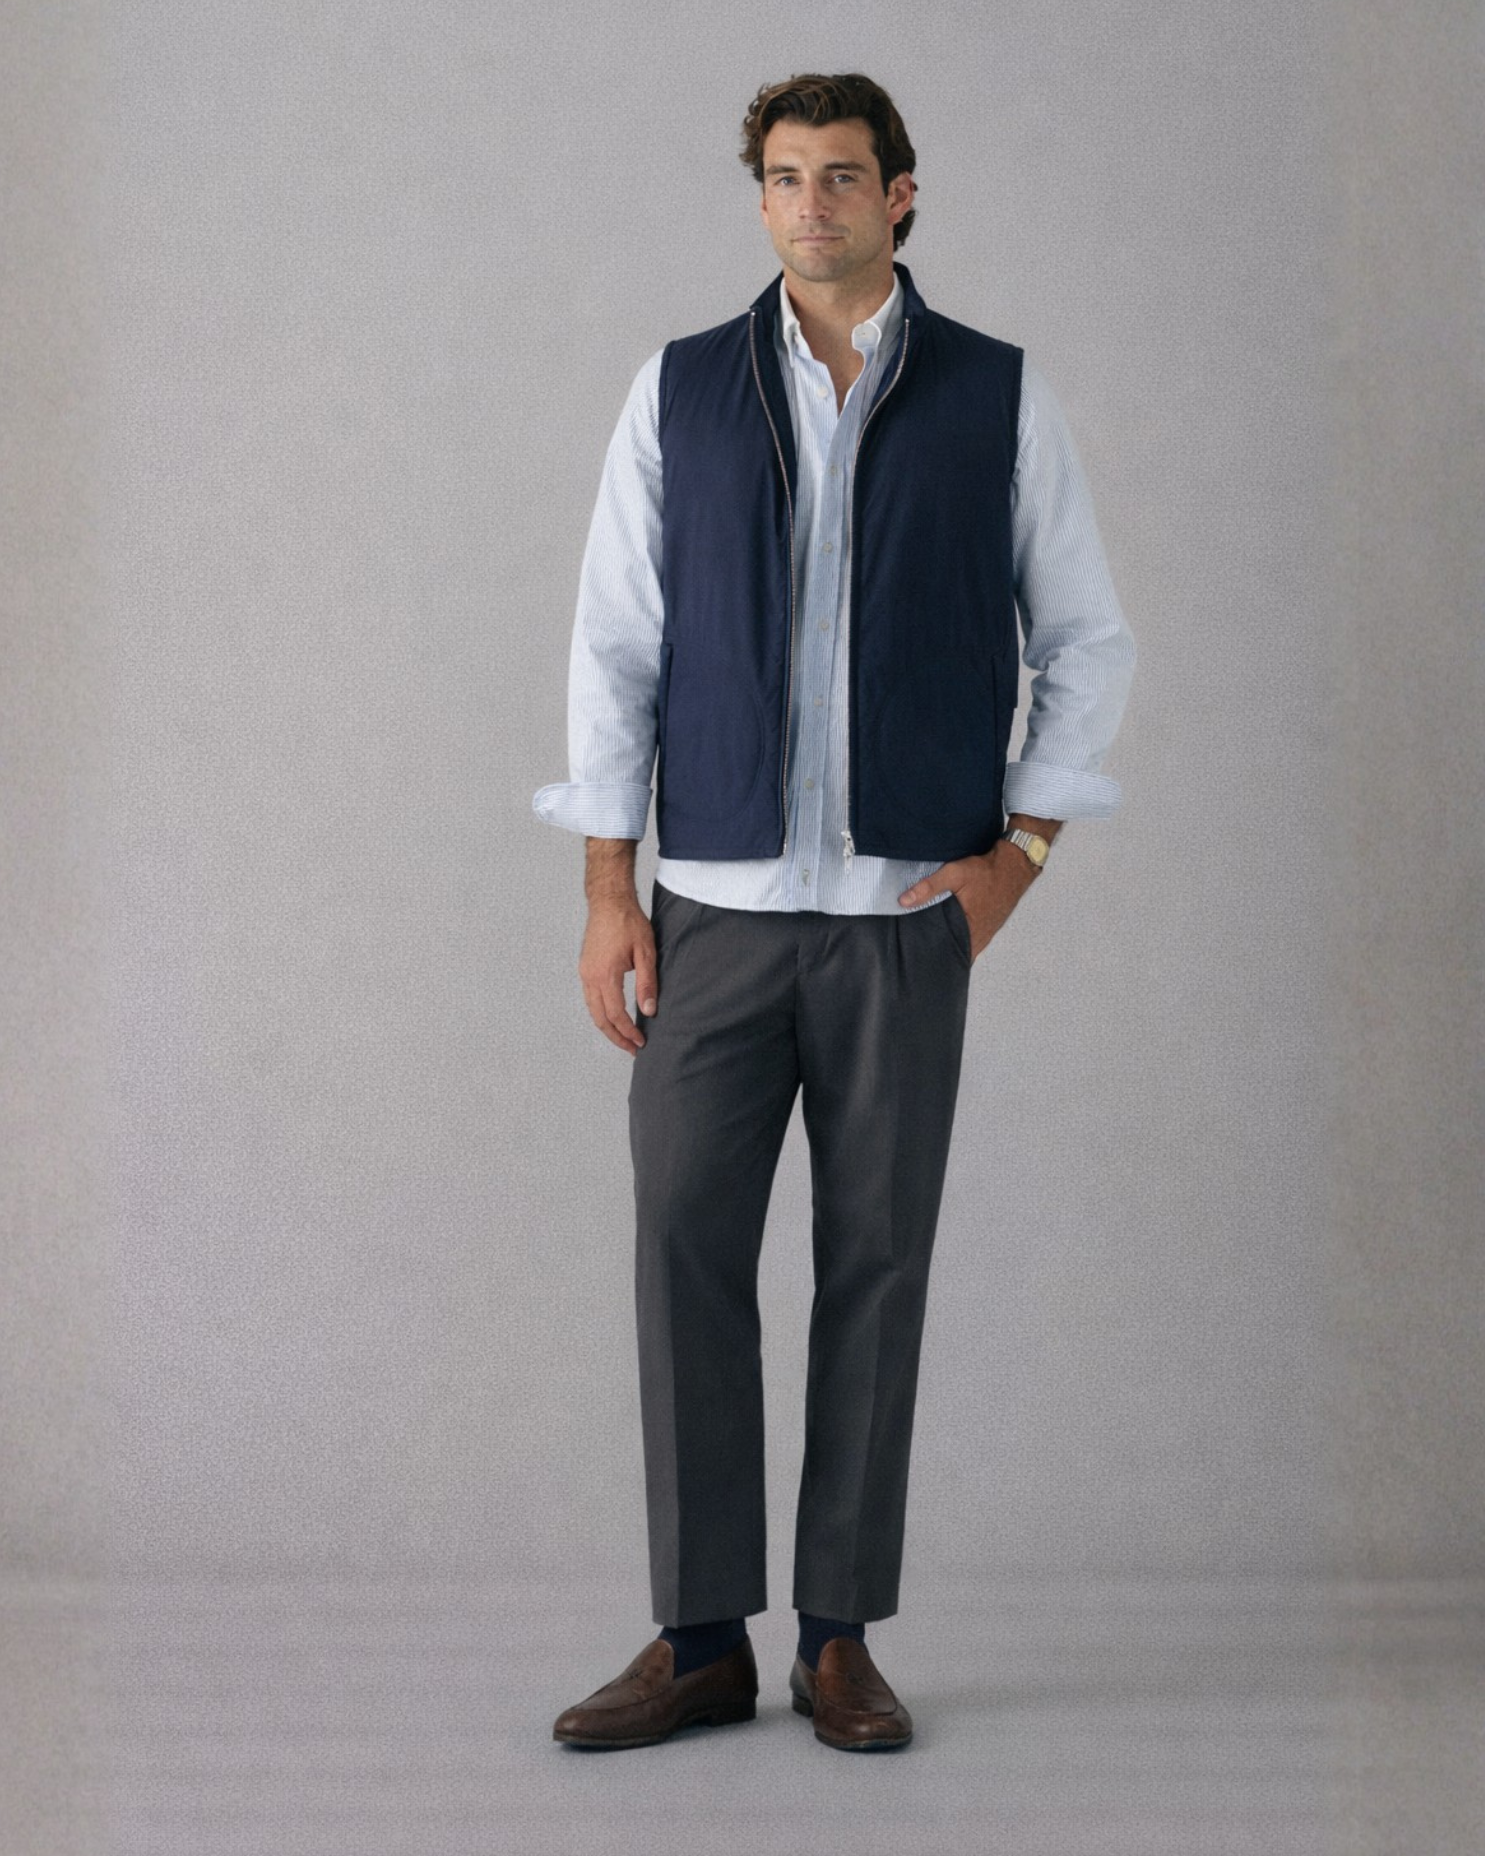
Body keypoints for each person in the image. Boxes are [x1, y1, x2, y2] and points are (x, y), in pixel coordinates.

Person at [532, 70, 1135, 1752]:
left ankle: (837, 1641)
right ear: (763, 199)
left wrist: (1020, 855)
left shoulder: (996, 395)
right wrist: (609, 891)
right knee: (683, 1252)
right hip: (712, 915)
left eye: (845, 177)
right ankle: (699, 1639)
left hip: (901, 919)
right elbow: (614, 648)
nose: (814, 205)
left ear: (902, 195)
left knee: (877, 1266)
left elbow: (1084, 638)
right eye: (787, 178)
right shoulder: (679, 392)